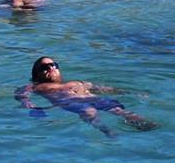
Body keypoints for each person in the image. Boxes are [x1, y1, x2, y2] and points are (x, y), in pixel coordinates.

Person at [16, 56, 155, 134]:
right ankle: (108, 132)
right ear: (37, 74)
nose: (51, 68)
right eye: (45, 67)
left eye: (54, 65)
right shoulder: (36, 86)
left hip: (94, 98)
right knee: (89, 111)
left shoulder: (76, 82)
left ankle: (148, 125)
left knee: (119, 110)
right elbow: (21, 95)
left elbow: (103, 89)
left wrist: (132, 93)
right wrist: (32, 107)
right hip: (71, 103)